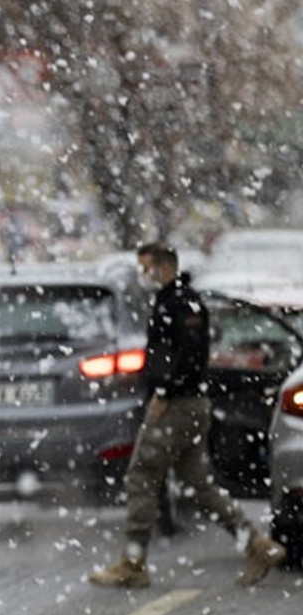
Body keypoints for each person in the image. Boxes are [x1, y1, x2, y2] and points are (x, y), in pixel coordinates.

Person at [89, 243, 285, 589]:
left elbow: (187, 354)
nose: (142, 275)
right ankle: (256, 543)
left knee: (141, 476)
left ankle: (133, 562)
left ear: (163, 266)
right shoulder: (178, 299)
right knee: (198, 484)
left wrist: (165, 391)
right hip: (190, 404)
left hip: (177, 406)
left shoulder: (179, 303)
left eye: (146, 267)